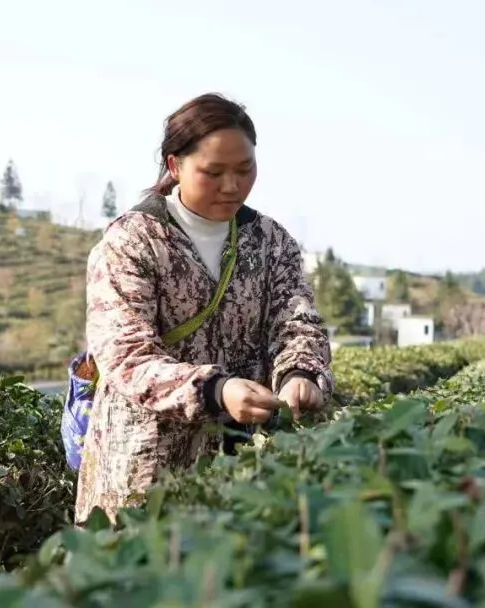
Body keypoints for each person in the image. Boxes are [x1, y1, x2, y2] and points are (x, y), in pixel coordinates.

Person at [73, 92, 334, 526]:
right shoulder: (133, 242)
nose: (232, 186)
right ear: (174, 166)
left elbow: (297, 320)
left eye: (245, 169)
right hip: (142, 467)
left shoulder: (270, 241)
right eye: (213, 173)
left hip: (241, 469)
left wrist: (300, 372)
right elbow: (125, 355)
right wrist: (215, 390)